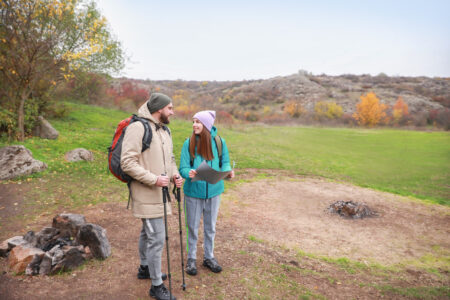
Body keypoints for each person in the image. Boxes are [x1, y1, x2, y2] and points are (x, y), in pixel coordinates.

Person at [121, 93, 183, 300]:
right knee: (157, 238)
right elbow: (127, 163)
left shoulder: (165, 130)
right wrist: (153, 179)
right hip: (147, 192)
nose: (172, 112)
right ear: (159, 109)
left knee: (147, 233)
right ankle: (156, 286)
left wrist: (175, 175)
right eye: (170, 108)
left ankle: (145, 268)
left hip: (161, 193)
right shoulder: (137, 128)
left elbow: (170, 158)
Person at [179, 110, 234, 276]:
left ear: (207, 125)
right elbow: (183, 167)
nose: (194, 124)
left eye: (198, 122)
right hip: (193, 193)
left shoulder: (219, 142)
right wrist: (188, 173)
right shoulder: (188, 143)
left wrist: (227, 172)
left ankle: (209, 257)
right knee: (192, 228)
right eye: (193, 121)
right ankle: (191, 259)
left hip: (214, 192)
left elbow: (225, 163)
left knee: (211, 228)